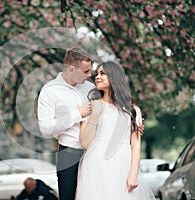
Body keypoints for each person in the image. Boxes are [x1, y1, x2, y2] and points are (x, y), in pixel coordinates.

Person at [76, 61, 155, 199]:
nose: (97, 77)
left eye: (102, 73)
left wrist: (133, 174)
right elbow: (84, 143)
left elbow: (136, 145)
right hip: (96, 163)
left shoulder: (132, 110)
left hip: (122, 163)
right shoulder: (90, 107)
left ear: (114, 77)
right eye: (97, 74)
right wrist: (94, 114)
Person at [37, 47, 95, 200]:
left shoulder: (90, 88)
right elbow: (45, 128)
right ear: (71, 69)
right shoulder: (50, 91)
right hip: (69, 153)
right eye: (85, 71)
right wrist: (77, 114)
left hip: (94, 151)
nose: (90, 75)